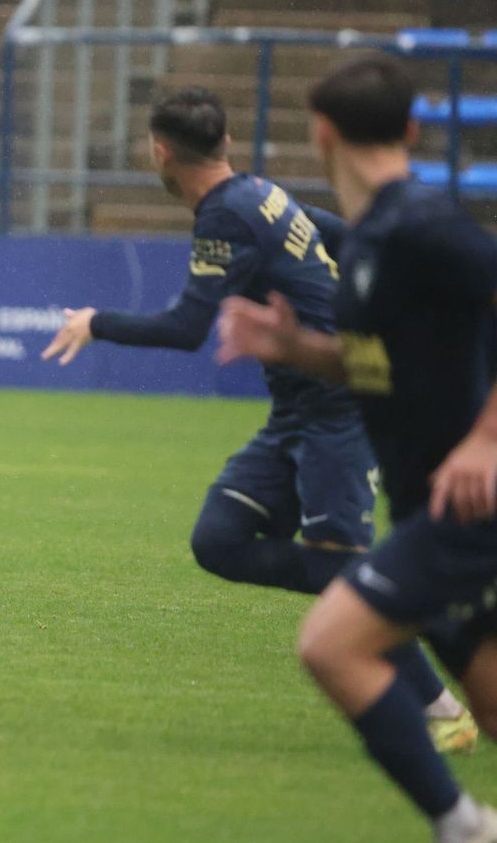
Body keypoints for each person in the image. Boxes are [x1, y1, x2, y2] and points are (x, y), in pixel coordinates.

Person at [42, 88, 474, 752]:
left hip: (336, 410)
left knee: (344, 569)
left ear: (160, 151)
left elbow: (188, 328)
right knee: (219, 540)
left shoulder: (226, 214)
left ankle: (442, 706)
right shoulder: (260, 192)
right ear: (226, 143)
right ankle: (363, 583)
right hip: (296, 410)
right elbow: (340, 235)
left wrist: (97, 322)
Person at [218, 52, 497, 843]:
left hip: (464, 506)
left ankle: (462, 828)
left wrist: (485, 440)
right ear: (411, 128)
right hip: (425, 503)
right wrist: (298, 348)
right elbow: (380, 363)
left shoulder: (423, 226)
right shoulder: (370, 237)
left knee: (331, 645)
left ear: (320, 134)